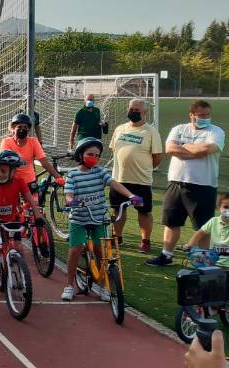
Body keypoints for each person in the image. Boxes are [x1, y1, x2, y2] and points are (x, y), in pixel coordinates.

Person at [148, 100, 225, 267]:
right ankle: (166, 255)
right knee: (171, 221)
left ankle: (204, 261)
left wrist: (182, 148)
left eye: (207, 115)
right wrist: (193, 150)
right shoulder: (178, 129)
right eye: (201, 115)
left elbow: (207, 150)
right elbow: (169, 149)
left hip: (203, 185)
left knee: (203, 227)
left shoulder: (216, 132)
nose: (205, 118)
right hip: (176, 182)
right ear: (192, 115)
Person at [63, 137, 142, 301]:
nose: (94, 158)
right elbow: (69, 195)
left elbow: (114, 183)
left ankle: (105, 285)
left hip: (98, 218)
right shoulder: (73, 175)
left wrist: (131, 195)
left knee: (102, 252)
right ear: (81, 155)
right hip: (79, 219)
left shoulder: (99, 172)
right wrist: (72, 202)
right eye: (90, 154)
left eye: (97, 155)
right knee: (75, 249)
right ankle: (69, 285)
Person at [0, 150, 45, 299]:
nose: (0, 173)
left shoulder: (19, 181)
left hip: (11, 218)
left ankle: (20, 273)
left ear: (13, 171)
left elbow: (30, 199)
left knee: (18, 247)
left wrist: (38, 216)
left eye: (4, 170)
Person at [108, 99, 163, 253]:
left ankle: (145, 241)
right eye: (131, 109)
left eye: (137, 110)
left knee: (144, 212)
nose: (133, 112)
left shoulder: (151, 131)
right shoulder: (120, 129)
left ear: (145, 112)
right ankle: (116, 237)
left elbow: (157, 156)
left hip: (141, 180)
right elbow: (114, 149)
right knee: (118, 210)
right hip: (119, 179)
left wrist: (145, 168)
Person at [0, 114, 64, 193]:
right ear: (13, 128)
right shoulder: (6, 142)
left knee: (32, 204)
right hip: (11, 180)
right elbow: (5, 163)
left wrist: (57, 177)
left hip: (29, 181)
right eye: (19, 127)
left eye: (25, 128)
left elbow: (44, 162)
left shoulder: (33, 142)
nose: (22, 130)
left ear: (29, 129)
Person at [184, 193, 229, 267]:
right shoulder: (213, 221)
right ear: (218, 208)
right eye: (226, 207)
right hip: (213, 262)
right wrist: (190, 244)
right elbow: (200, 233)